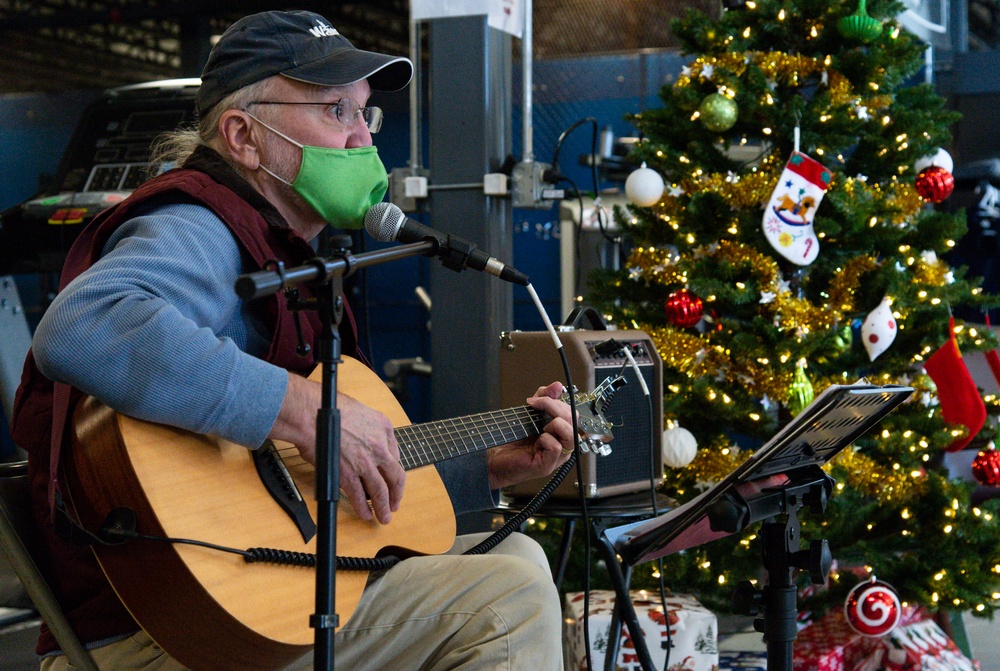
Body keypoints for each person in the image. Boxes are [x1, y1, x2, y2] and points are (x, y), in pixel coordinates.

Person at [10, 10, 575, 671]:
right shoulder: (197, 225)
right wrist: (308, 412)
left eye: (367, 115)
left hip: (244, 607)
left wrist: (491, 467)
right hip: (158, 634)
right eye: (337, 110)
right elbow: (83, 323)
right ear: (244, 136)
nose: (363, 139)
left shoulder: (288, 257)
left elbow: (304, 483)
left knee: (513, 556)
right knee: (507, 592)